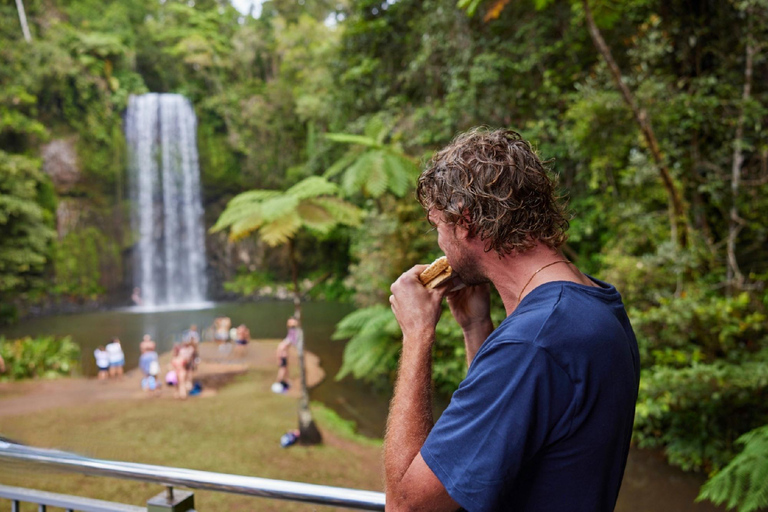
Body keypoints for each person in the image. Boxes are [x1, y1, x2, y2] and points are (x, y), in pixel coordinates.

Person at [385, 128, 640, 511]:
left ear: (466, 222)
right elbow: (503, 439)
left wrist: (417, 333)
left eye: (439, 227)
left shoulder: (534, 343)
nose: (439, 243)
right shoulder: (596, 306)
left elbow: (407, 505)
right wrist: (476, 328)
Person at [272, 317, 299, 393]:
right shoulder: (283, 345)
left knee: (285, 369)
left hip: (284, 356)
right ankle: (278, 382)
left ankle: (285, 381)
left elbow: (292, 330)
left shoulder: (287, 339)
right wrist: (279, 359)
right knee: (283, 370)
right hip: (283, 356)